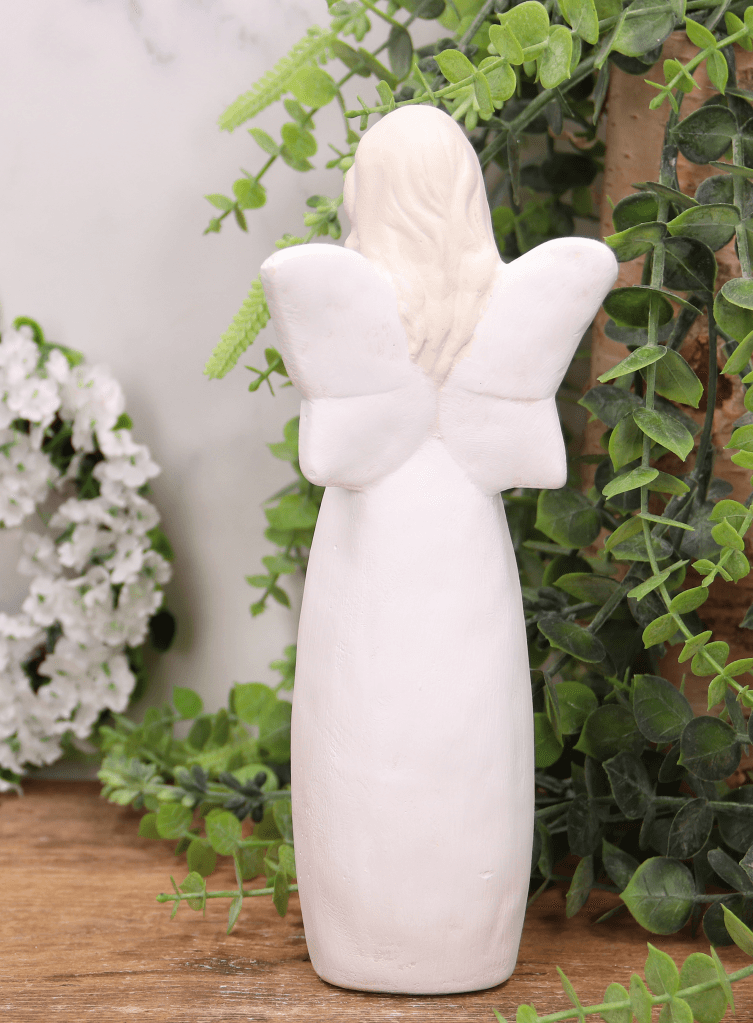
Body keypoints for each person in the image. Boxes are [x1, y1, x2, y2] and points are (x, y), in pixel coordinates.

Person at [260, 103, 618, 994]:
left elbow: (333, 448)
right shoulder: (504, 313)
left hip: (374, 546)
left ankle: (371, 934)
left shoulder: (339, 301)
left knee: (366, 718)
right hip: (461, 542)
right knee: (464, 725)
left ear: (368, 196)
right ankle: (459, 936)